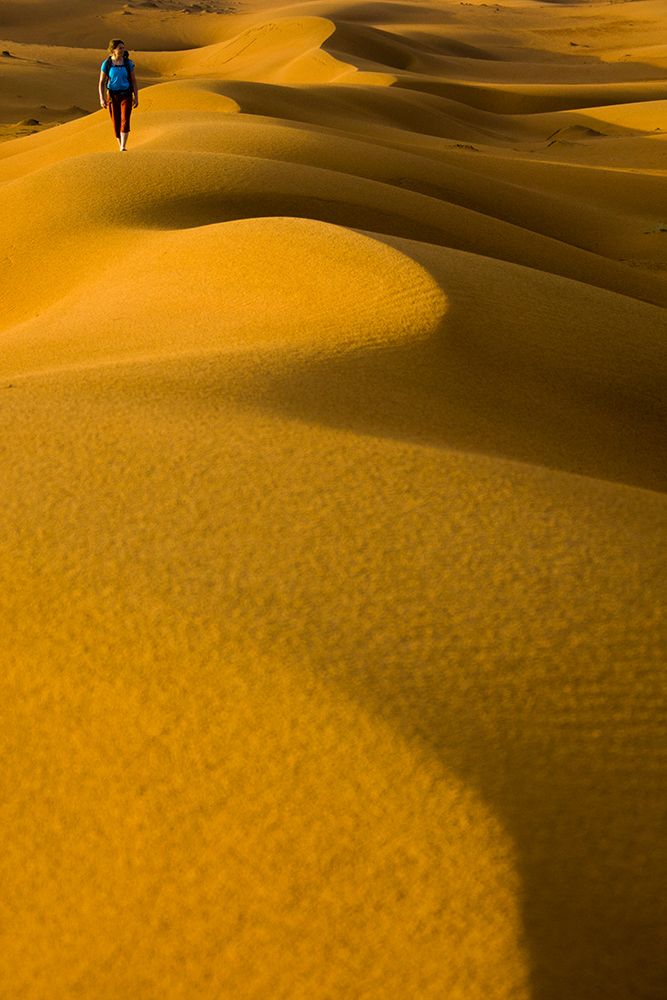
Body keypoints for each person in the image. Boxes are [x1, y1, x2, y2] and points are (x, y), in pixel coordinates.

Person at [99, 39, 138, 151]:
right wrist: (102, 99)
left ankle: (123, 146)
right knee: (115, 121)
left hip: (126, 94)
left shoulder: (128, 63)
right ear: (113, 50)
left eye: (123, 48)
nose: (122, 50)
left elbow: (134, 81)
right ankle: (120, 144)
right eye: (120, 48)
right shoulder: (107, 64)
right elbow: (101, 82)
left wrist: (136, 97)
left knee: (125, 119)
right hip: (112, 96)